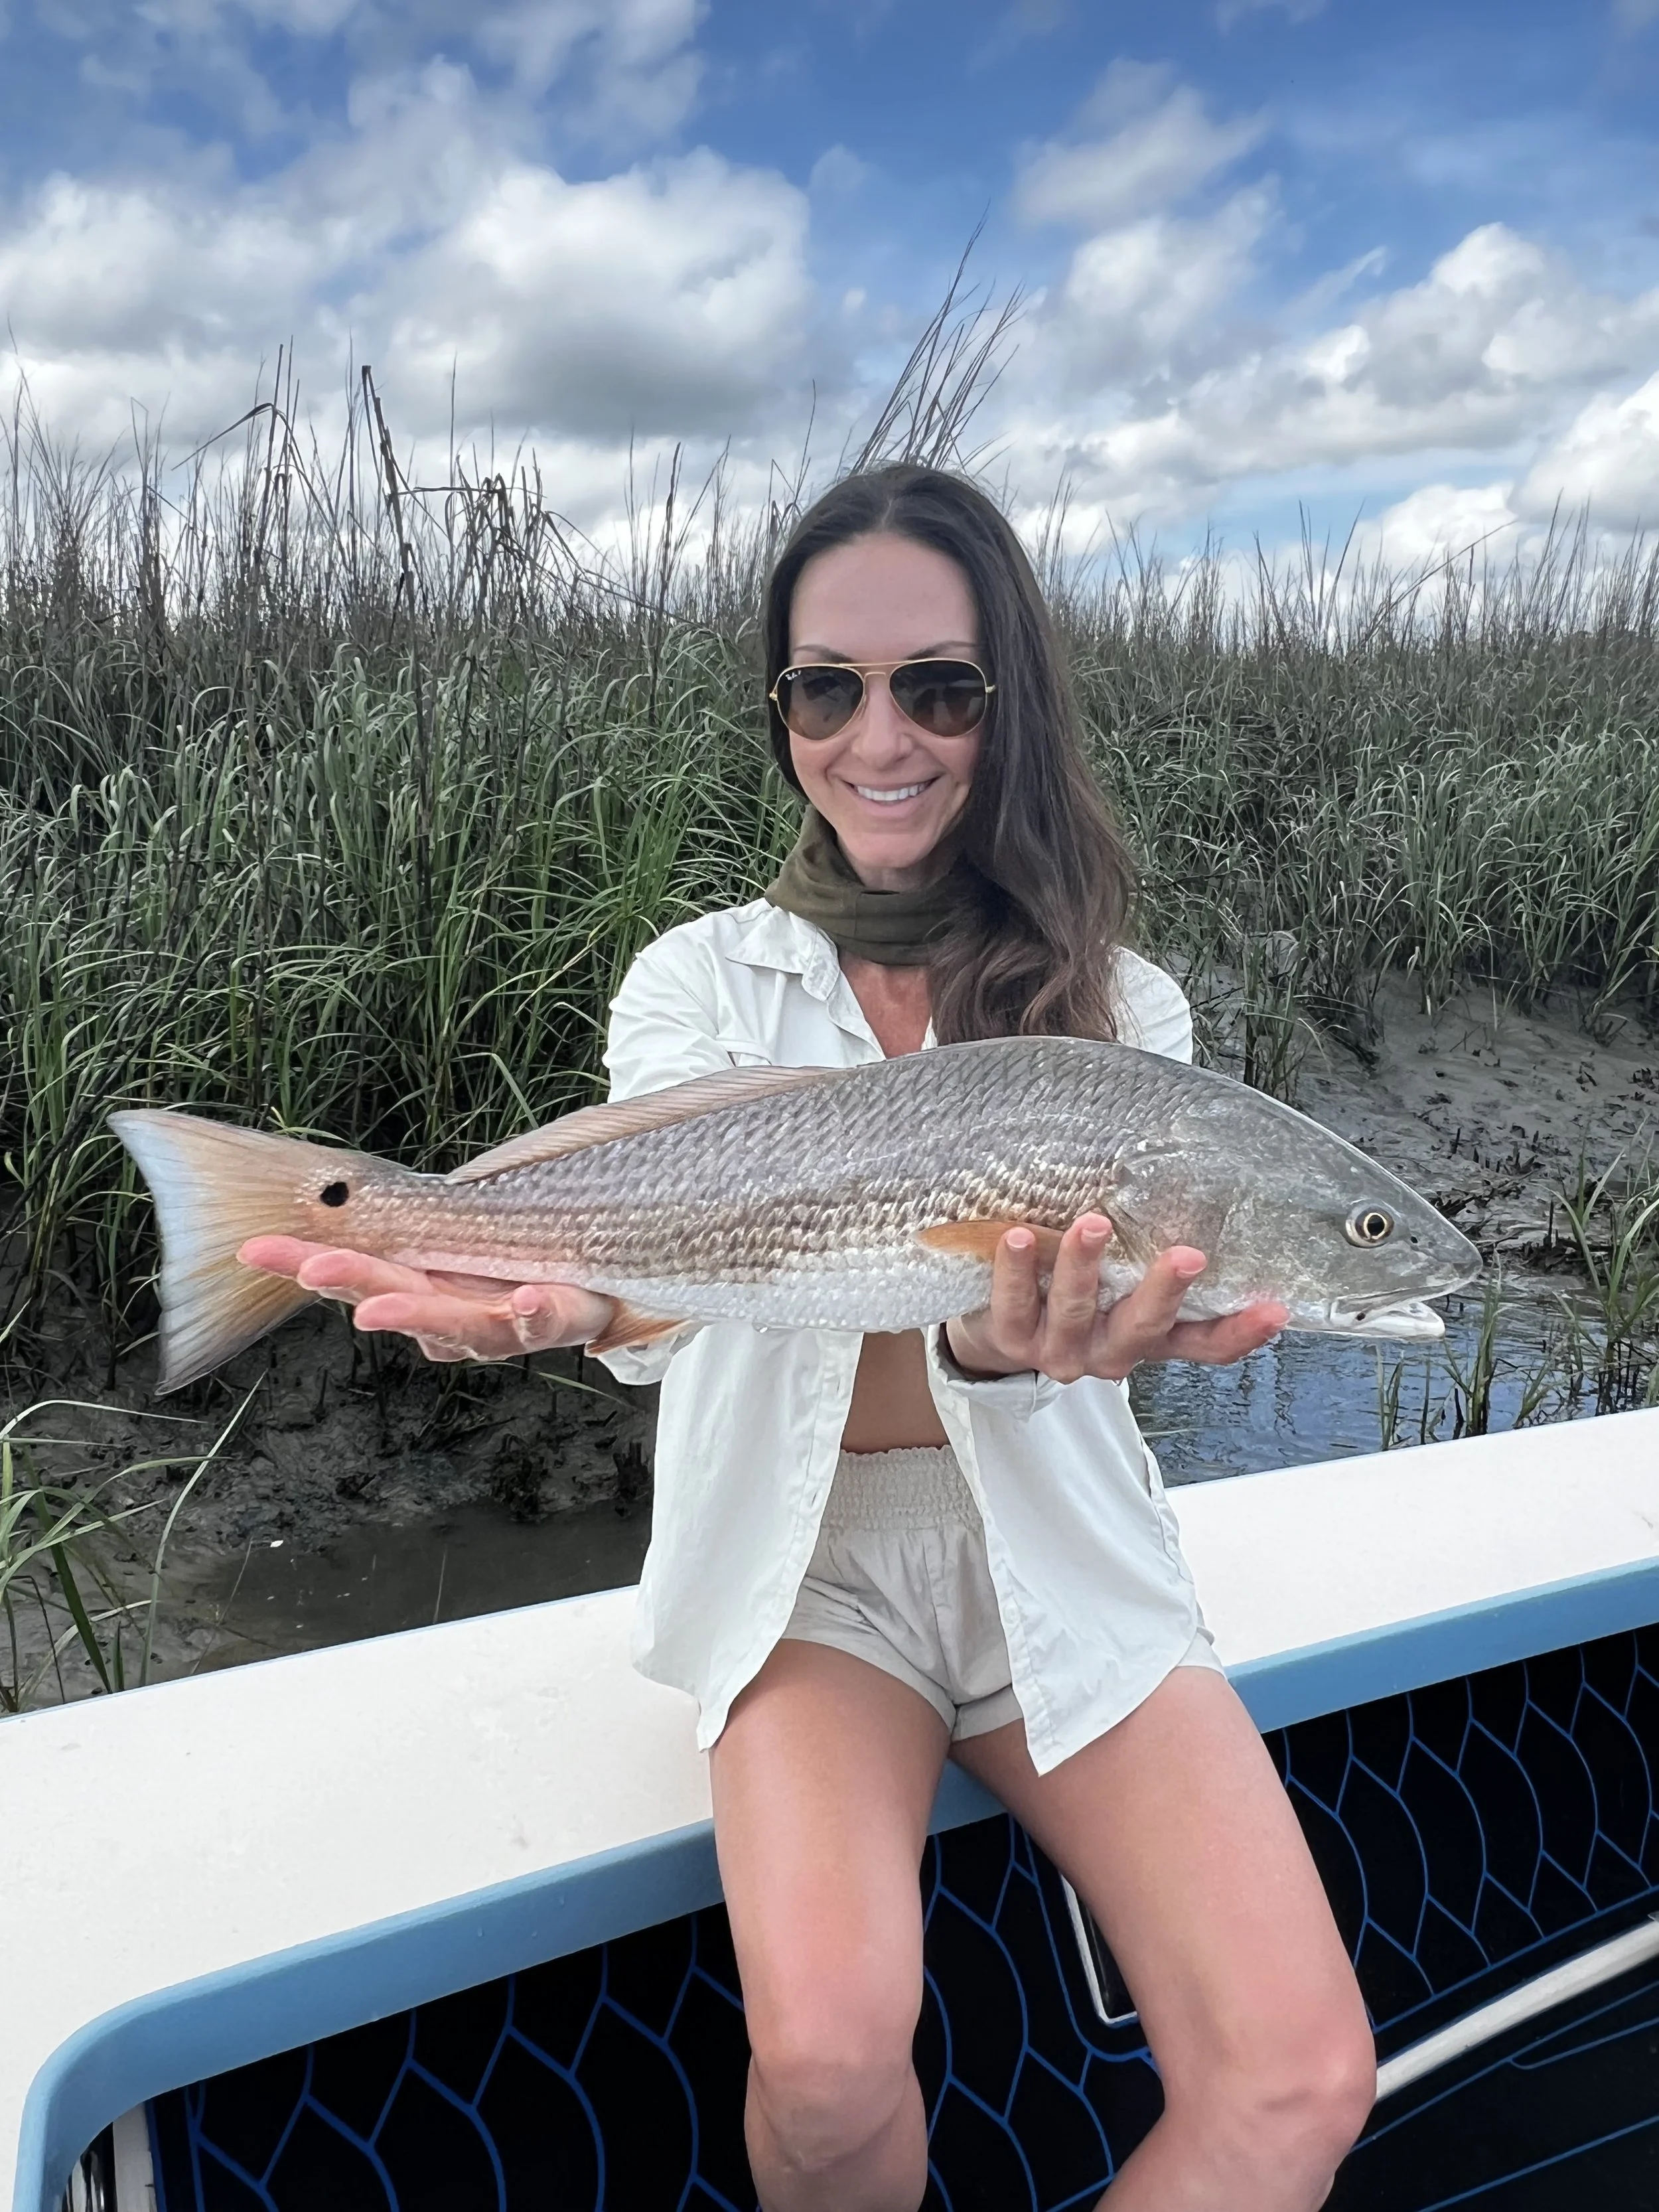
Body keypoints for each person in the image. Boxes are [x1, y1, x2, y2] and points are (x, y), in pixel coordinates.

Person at [243, 465, 1376, 2212]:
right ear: (780, 710)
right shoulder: (696, 977)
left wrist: (1015, 1352)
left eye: (938, 685)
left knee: (1300, 2070)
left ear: (1007, 701)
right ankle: (357, 1203)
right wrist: (568, 1299)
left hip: (1053, 1565)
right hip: (808, 1580)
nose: (880, 735)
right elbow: (658, 1260)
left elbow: (1015, 1333)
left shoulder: (1124, 1013)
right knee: (834, 2073)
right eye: (824, 687)